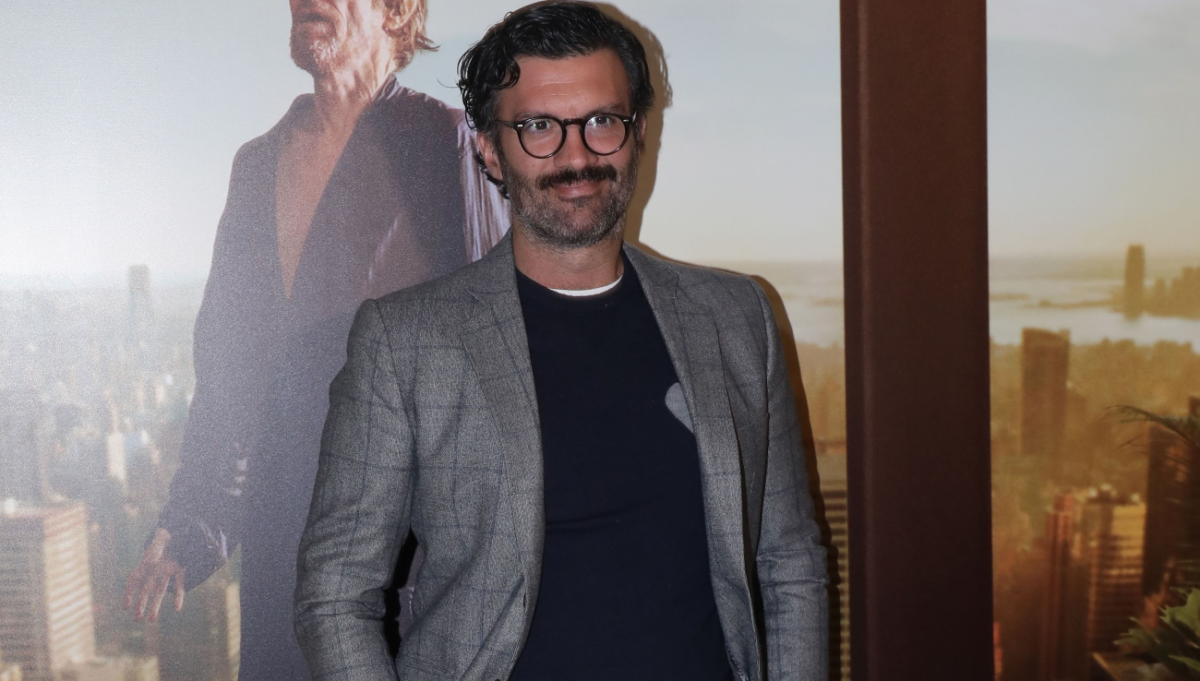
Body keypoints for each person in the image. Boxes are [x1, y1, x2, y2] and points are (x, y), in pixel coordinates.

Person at [294, 1, 828, 680]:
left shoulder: (735, 316)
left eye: (602, 121)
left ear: (637, 133)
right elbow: (336, 593)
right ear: (489, 149)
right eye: (539, 127)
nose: (577, 156)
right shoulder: (406, 343)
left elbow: (789, 562)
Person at [122, 0, 506, 678]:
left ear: (396, 11)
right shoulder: (257, 164)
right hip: (284, 541)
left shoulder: (448, 144)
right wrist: (192, 520)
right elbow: (229, 366)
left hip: (410, 555)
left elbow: (500, 355)